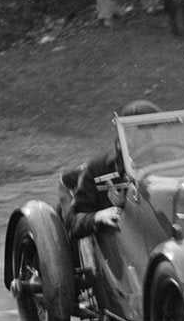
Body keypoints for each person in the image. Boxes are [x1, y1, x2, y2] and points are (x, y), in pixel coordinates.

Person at [60, 100, 161, 239]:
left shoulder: (165, 157)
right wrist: (98, 216)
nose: (151, 135)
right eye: (145, 129)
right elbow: (72, 223)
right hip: (75, 190)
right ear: (128, 133)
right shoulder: (99, 169)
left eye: (155, 128)